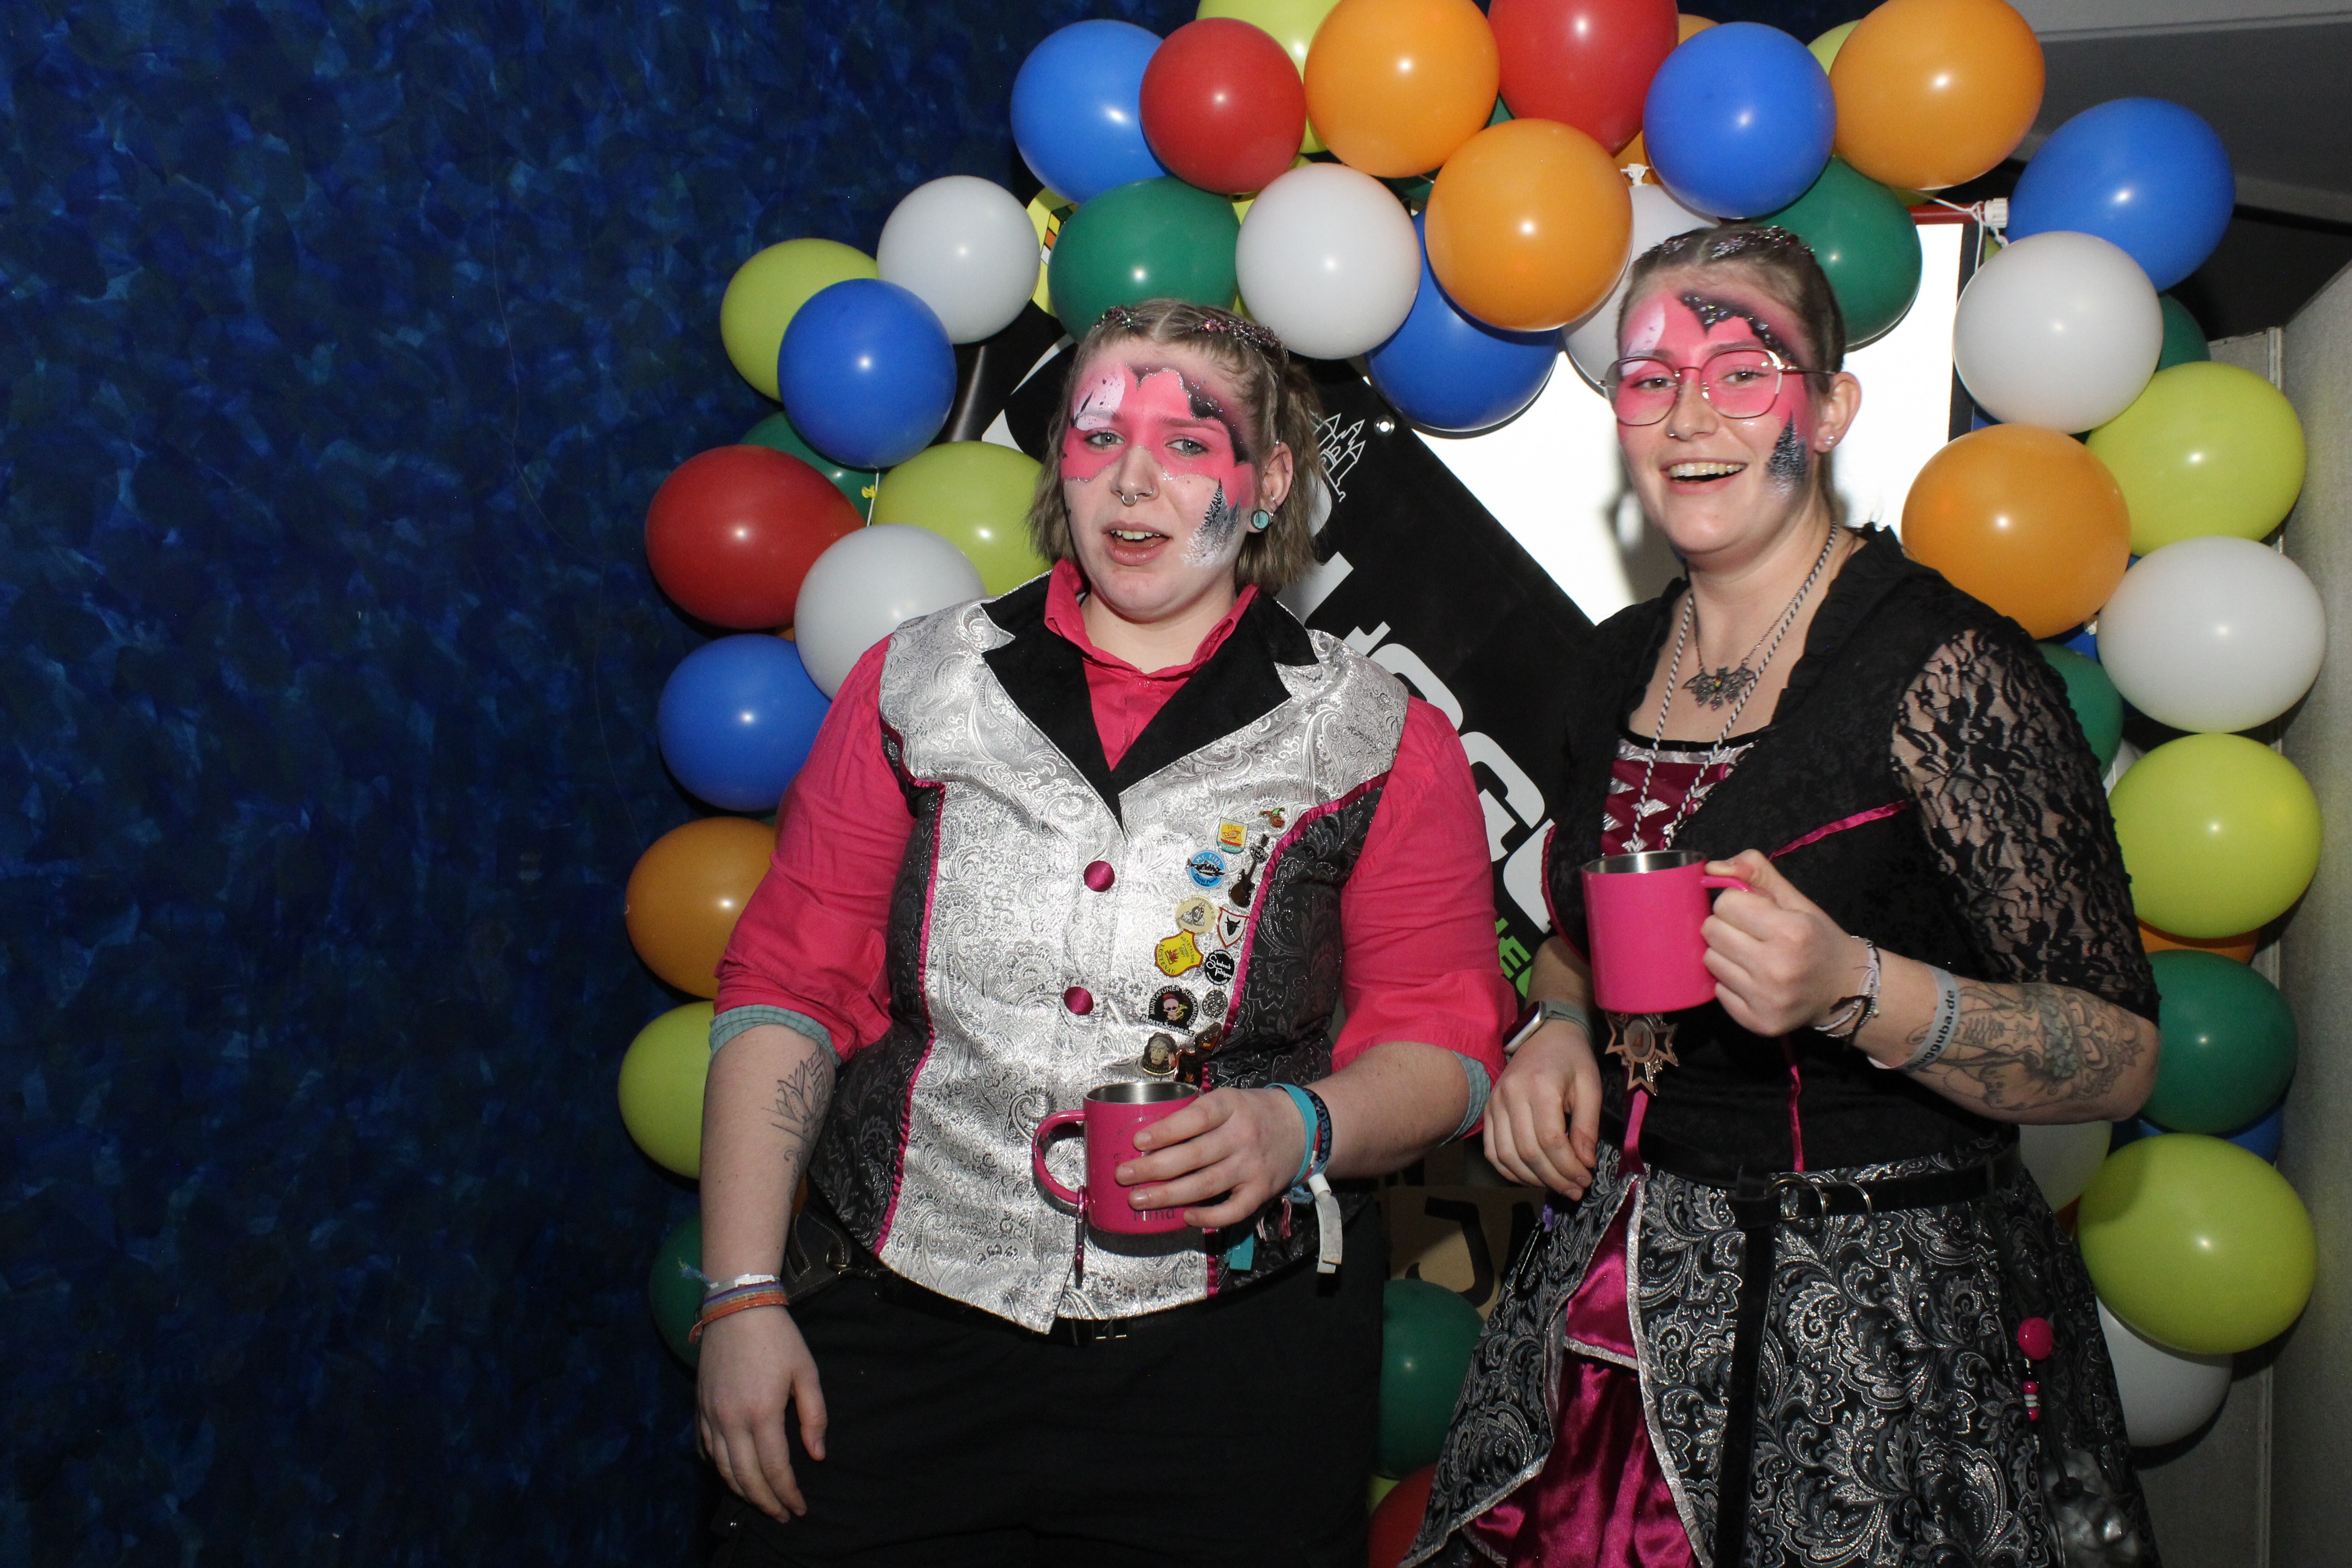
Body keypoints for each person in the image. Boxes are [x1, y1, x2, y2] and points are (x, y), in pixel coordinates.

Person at [695, 297, 1519, 1565]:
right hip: (897, 1341)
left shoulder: (1378, 738)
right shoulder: (918, 683)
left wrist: (1302, 1126)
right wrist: (742, 1294)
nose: (1134, 480)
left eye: (1189, 444)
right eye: (1098, 435)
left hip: (1230, 1383)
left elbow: (1448, 1046)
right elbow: (789, 989)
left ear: (1271, 480)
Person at [1411, 226, 2164, 1568]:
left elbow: (2118, 1055)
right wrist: (1557, 1027)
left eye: (1743, 372)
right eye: (1650, 379)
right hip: (1606, 1297)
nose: (1689, 416)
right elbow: (1586, 937)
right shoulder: (1612, 664)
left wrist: (1859, 990)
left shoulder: (1944, 668)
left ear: (1829, 408)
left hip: (1874, 1331)